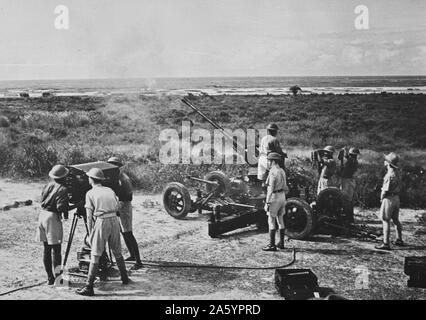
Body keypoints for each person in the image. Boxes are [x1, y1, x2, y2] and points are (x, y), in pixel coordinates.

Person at [76, 168, 130, 296]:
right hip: (114, 220)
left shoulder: (90, 193)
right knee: (117, 251)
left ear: (91, 179)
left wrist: (90, 234)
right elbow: (118, 206)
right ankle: (124, 277)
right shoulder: (109, 190)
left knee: (95, 254)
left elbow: (89, 216)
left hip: (102, 221)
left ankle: (89, 286)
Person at [37, 164, 71, 285]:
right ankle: (59, 279)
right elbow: (61, 207)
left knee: (46, 249)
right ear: (63, 177)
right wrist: (77, 205)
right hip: (52, 217)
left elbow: (41, 199)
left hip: (42, 215)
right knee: (56, 250)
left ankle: (50, 278)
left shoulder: (48, 185)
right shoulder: (63, 189)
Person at [107, 156, 143, 270]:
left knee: (128, 233)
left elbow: (129, 196)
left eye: (114, 164)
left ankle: (138, 261)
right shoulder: (115, 177)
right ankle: (132, 255)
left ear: (118, 166)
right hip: (120, 205)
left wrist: (119, 198)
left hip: (125, 205)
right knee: (124, 232)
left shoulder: (123, 178)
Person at [375, 153, 403, 250]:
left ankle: (386, 243)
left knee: (385, 220)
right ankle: (399, 239)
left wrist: (381, 198)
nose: (384, 161)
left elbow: (385, 190)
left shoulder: (389, 175)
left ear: (388, 163)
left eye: (386, 160)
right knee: (396, 220)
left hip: (389, 199)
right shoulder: (397, 173)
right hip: (396, 198)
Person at [262, 153, 289, 252]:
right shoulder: (282, 171)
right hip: (282, 196)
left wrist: (267, 203)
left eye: (269, 161)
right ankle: (281, 243)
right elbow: (285, 186)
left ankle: (272, 245)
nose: (268, 162)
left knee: (271, 220)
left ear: (273, 161)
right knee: (280, 219)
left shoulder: (272, 172)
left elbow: (270, 189)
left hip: (274, 197)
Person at [339, 147, 361, 222]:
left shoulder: (350, 161)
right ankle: (349, 216)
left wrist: (344, 151)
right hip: (351, 180)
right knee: (350, 199)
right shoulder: (355, 161)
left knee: (345, 199)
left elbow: (346, 158)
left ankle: (348, 217)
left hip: (346, 180)